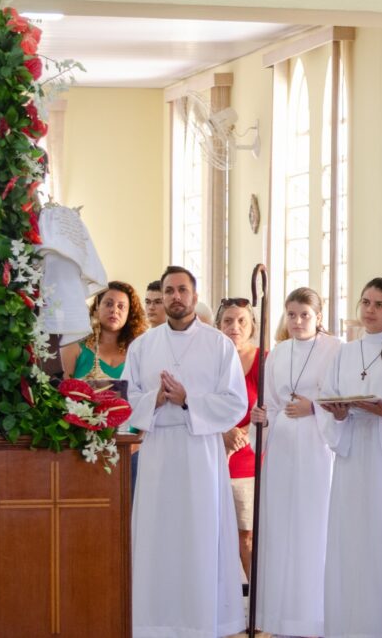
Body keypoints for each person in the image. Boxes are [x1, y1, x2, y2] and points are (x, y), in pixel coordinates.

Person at [123, 265, 247, 638]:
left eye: (182, 290)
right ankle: (154, 623)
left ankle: (200, 621)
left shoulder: (218, 344)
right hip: (158, 452)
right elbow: (125, 400)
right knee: (157, 536)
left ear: (194, 295)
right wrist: (156, 399)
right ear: (162, 297)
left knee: (199, 535)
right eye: (169, 291)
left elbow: (235, 403)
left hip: (201, 453)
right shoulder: (143, 345)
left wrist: (188, 399)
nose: (175, 297)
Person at [317, 278, 382, 638]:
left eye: (379, 304)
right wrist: (339, 413)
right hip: (352, 454)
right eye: (365, 302)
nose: (370, 310)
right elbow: (328, 395)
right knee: (349, 541)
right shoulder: (345, 353)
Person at [250, 288, 342, 637]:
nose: (298, 321)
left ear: (318, 316)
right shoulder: (278, 353)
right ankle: (282, 618)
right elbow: (272, 403)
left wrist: (314, 407)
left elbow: (342, 398)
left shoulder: (335, 349)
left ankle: (315, 617)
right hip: (283, 449)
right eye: (291, 314)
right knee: (281, 528)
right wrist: (262, 417)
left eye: (305, 314)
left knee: (313, 528)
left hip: (318, 446)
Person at [215, 297, 260, 586]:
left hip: (248, 458)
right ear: (218, 326)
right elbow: (199, 401)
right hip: (214, 454)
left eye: (242, 321)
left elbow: (272, 405)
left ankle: (255, 600)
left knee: (247, 534)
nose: (235, 327)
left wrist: (240, 431)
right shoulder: (210, 358)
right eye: (228, 321)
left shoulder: (264, 360)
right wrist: (223, 430)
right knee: (216, 534)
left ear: (252, 325)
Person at [60, 280, 147, 379]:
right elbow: (60, 387)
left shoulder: (138, 351)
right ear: (97, 308)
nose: (114, 310)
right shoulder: (74, 346)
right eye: (109, 304)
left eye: (121, 306)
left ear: (129, 314)